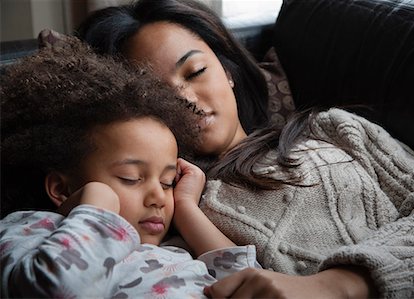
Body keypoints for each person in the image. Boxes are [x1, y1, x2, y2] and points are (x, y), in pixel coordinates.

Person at [76, 1, 414, 298]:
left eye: (195, 72)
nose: (186, 100)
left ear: (228, 72)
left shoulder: (335, 128)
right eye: (159, 96)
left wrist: (340, 284)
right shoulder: (168, 209)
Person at [0, 35, 260, 298]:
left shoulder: (175, 247)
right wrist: (96, 206)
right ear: (61, 188)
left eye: (167, 181)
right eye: (131, 178)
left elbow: (254, 286)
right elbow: (54, 288)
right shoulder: (31, 230)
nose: (158, 197)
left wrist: (187, 209)